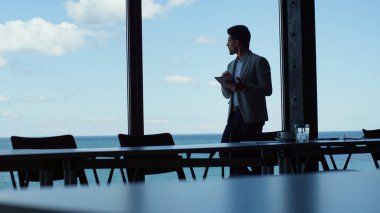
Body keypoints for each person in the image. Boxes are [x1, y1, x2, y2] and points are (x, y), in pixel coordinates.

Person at [219, 25, 272, 176]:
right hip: (233, 116)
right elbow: (227, 95)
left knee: (249, 158)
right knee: (225, 154)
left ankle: (249, 182)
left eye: (229, 40)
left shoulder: (259, 61)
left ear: (237, 42)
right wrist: (224, 84)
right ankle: (245, 181)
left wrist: (243, 87)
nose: (226, 44)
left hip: (252, 117)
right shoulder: (230, 65)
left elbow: (267, 89)